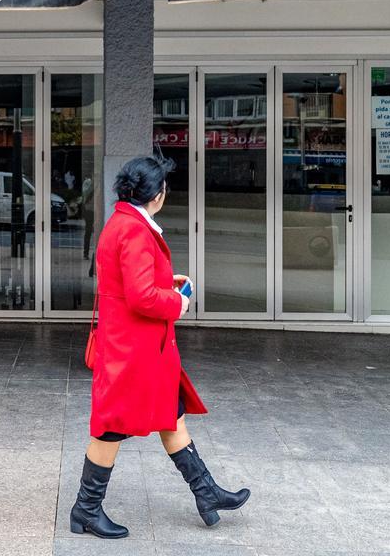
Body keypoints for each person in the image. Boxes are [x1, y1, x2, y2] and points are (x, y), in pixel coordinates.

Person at [70, 156, 250, 539]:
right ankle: (85, 509)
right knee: (111, 429)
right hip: (133, 352)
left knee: (172, 413)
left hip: (136, 349)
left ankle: (206, 493)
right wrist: (178, 302)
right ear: (158, 194)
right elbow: (139, 297)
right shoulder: (134, 231)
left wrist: (168, 279)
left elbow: (129, 282)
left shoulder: (123, 222)